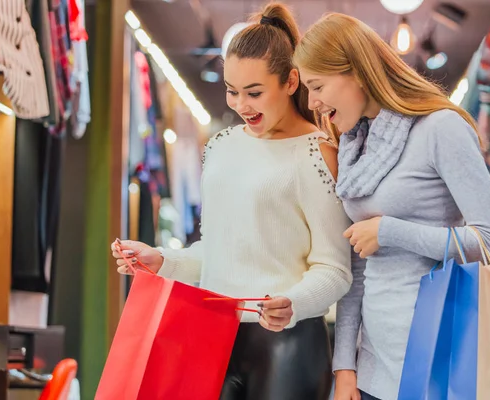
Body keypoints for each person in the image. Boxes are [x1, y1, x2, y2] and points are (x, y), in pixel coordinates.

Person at [112, 3, 352, 400]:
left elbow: (335, 268)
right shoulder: (220, 147)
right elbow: (218, 251)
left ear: (291, 82)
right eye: (232, 91)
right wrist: (163, 260)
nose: (241, 106)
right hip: (210, 337)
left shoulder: (316, 153)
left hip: (287, 347)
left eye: (254, 92)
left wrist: (293, 302)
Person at [294, 13, 490, 400]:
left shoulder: (440, 128)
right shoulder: (355, 149)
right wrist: (345, 366)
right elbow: (357, 269)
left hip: (438, 361)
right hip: (375, 369)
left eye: (317, 86)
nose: (312, 102)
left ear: (357, 72)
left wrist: (390, 231)